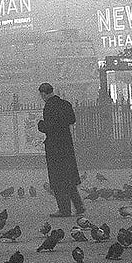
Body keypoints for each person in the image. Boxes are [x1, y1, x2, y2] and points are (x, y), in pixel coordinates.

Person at [37, 83, 84, 217]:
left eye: (41, 95)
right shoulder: (65, 104)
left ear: (43, 94)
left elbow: (49, 127)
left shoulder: (49, 107)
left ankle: (64, 209)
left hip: (54, 147)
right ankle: (79, 206)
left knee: (58, 180)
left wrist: (41, 125)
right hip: (66, 146)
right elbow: (72, 120)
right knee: (69, 178)